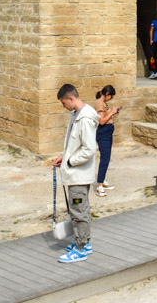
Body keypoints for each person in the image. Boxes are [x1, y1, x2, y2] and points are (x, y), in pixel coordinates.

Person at [52, 84, 98, 263]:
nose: (64, 107)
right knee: (79, 209)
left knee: (78, 211)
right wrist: (64, 156)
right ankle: (84, 242)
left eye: (64, 103)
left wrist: (70, 161)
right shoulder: (76, 114)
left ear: (71, 98)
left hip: (78, 175)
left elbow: (88, 149)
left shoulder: (85, 119)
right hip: (75, 173)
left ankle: (80, 249)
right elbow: (74, 144)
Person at [93, 85, 119, 197]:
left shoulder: (103, 103)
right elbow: (102, 121)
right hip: (103, 133)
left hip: (107, 133)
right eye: (111, 96)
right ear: (107, 94)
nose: (111, 98)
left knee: (107, 158)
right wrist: (112, 112)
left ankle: (102, 180)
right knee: (105, 158)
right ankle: (99, 186)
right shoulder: (99, 103)